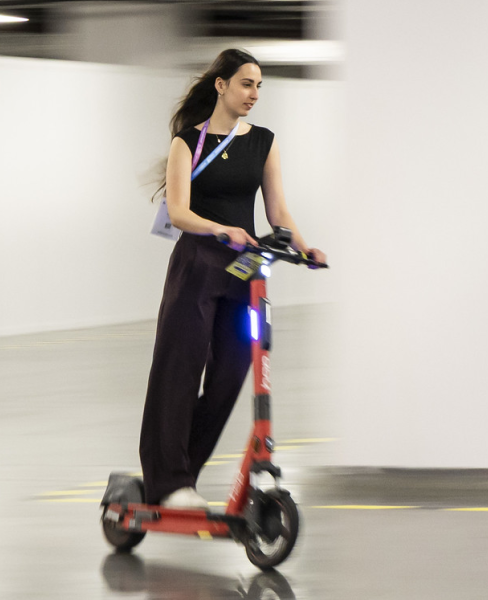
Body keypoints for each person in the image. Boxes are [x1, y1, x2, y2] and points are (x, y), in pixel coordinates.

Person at [139, 49, 328, 509]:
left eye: (259, 85)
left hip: (244, 271)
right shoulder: (189, 143)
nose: (254, 94)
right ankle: (168, 483)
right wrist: (220, 228)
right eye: (246, 83)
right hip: (197, 266)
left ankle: (183, 474)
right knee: (178, 372)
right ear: (221, 85)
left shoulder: (263, 141)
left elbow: (278, 211)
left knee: (230, 374)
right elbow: (179, 213)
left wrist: (304, 246)